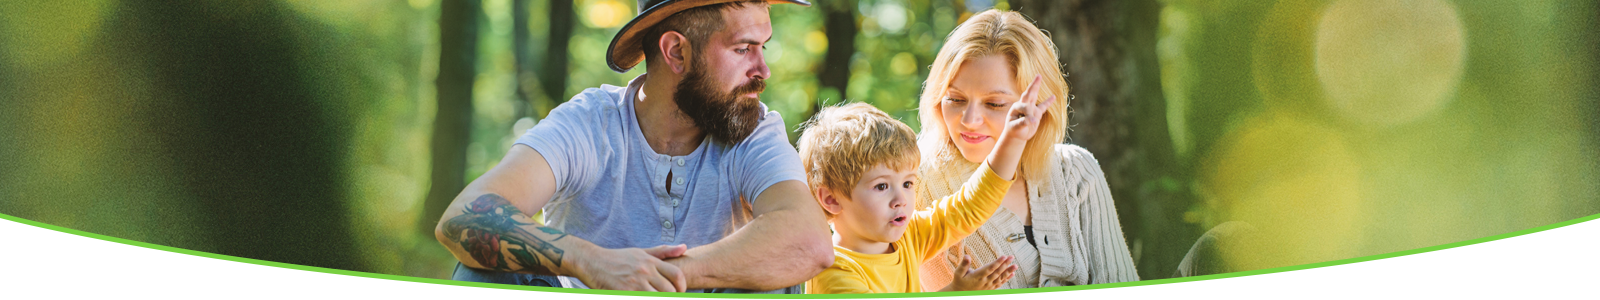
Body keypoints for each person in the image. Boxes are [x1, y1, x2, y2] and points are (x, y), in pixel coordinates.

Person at [432, 0, 832, 293]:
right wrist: (591, 262)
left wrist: (660, 275)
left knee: (778, 271)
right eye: (743, 49)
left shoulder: (754, 128)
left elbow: (810, 241)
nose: (762, 70)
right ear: (676, 51)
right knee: (483, 272)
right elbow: (463, 217)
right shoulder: (588, 123)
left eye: (764, 47)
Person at [915, 9, 1140, 290]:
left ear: (1040, 103)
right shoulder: (912, 182)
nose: (969, 120)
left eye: (994, 104)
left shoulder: (1076, 171)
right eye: (955, 99)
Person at [798, 82, 1053, 293]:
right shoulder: (833, 273)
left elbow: (969, 207)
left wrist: (1013, 138)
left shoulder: (910, 235)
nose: (901, 199)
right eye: (881, 186)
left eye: (908, 183)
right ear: (831, 200)